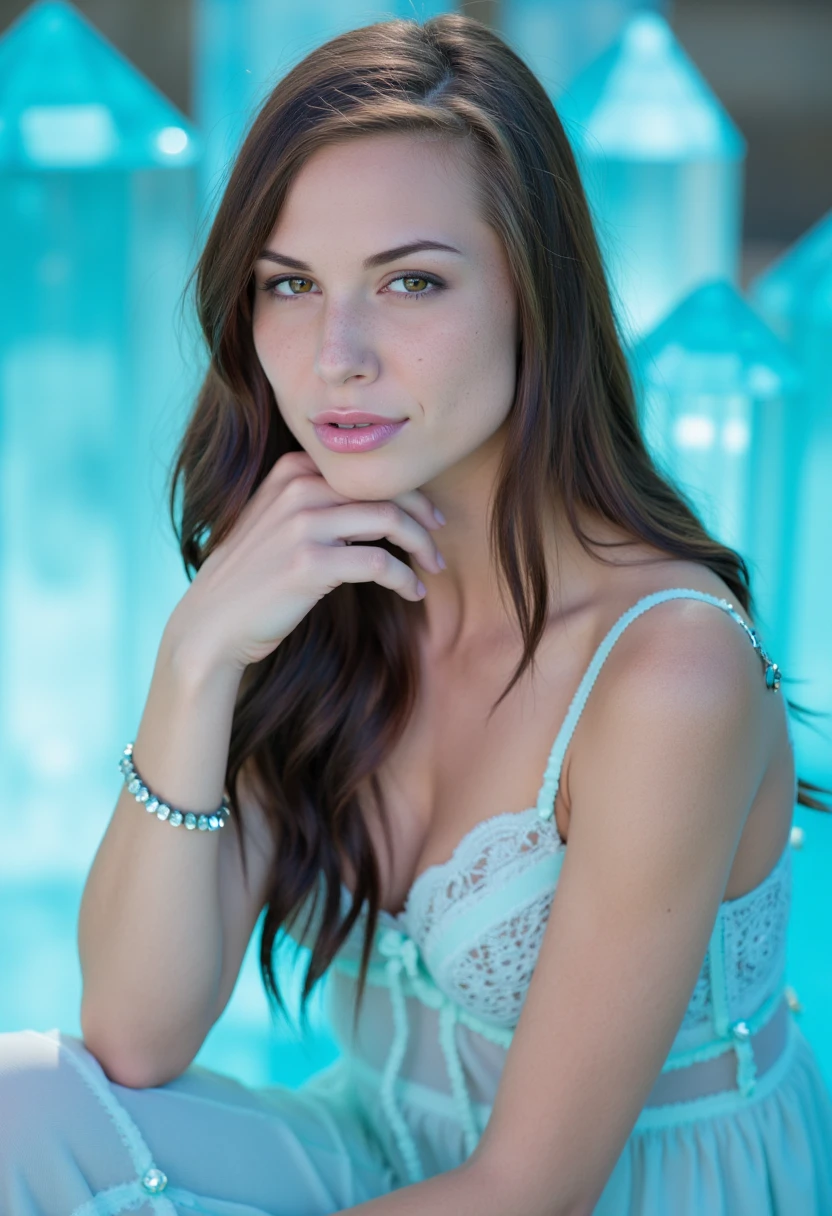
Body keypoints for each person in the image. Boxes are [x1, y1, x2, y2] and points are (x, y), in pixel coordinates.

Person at [2, 12, 831, 1216]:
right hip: (377, 1157)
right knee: (22, 1107)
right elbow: (131, 1034)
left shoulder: (667, 673)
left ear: (531, 299)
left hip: (608, 1199)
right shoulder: (327, 581)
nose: (338, 355)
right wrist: (197, 656)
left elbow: (530, 1190)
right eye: (290, 284)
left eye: (410, 281)